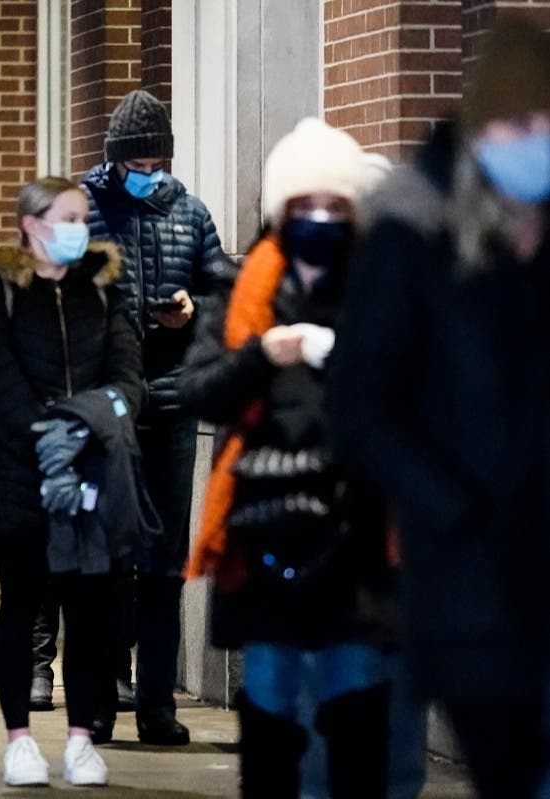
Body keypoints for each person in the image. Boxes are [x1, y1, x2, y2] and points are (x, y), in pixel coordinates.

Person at [327, 16, 550, 799]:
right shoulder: (415, 236)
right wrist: (454, 508)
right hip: (471, 583)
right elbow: (360, 404)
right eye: (524, 124)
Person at [179, 118, 393, 798]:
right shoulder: (241, 292)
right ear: (280, 210)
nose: (320, 218)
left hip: (355, 532)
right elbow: (199, 390)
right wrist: (260, 354)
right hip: (266, 529)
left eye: (335, 205)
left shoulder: (380, 292)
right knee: (271, 710)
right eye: (305, 205)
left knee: (357, 708)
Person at [0, 176, 156, 787]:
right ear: (32, 224)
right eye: (66, 216)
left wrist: (83, 428)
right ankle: (19, 740)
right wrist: (47, 438)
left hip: (93, 470)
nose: (80, 227)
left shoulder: (102, 291)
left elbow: (130, 379)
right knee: (22, 604)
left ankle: (81, 740)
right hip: (19, 476)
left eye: (83, 216)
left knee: (93, 609)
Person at [80, 88, 225, 745]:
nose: (147, 170)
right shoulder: (80, 213)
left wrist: (192, 309)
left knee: (163, 564)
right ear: (112, 162)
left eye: (155, 160)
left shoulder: (190, 214)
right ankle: (102, 696)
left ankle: (156, 703)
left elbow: (220, 292)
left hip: (168, 403)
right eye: (134, 161)